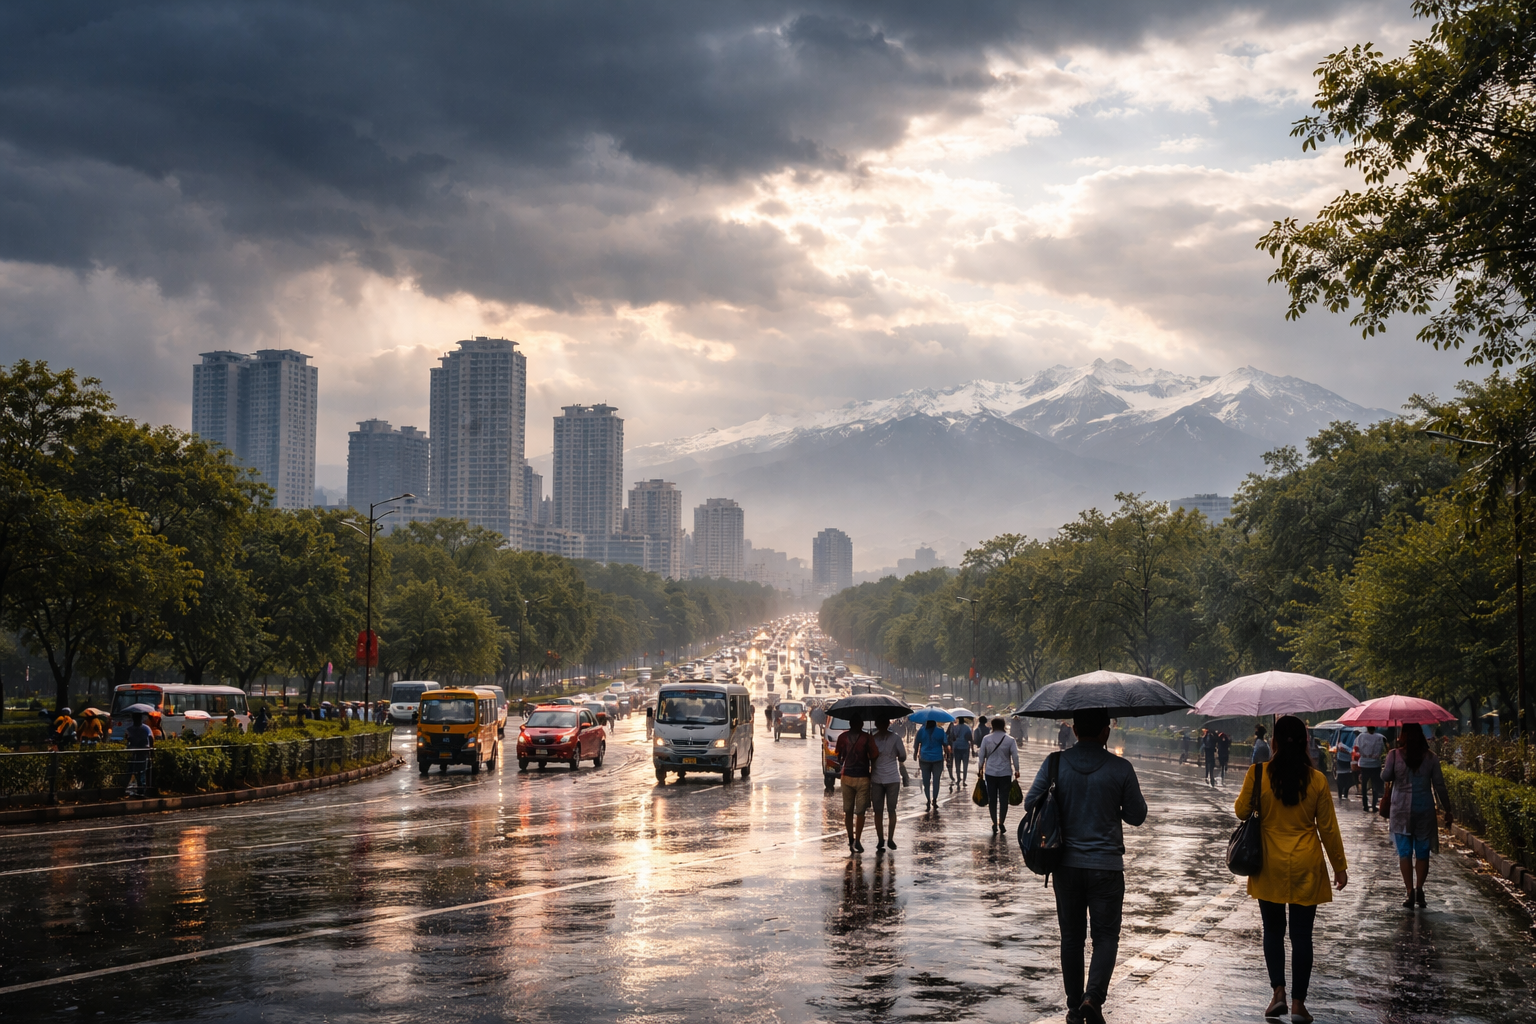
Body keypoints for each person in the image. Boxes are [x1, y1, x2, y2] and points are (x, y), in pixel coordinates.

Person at [1025, 709, 1146, 1024]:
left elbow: (1030, 803)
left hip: (1065, 865)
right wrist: (1111, 803)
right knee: (1106, 936)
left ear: (1075, 730)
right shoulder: (1121, 768)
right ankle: (1093, 997)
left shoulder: (1056, 763)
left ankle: (1074, 1005)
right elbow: (1137, 815)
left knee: (1071, 937)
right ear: (1106, 732)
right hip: (1107, 867)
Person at [1234, 715, 1347, 1024]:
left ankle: (1278, 993)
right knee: (1301, 935)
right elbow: (1328, 829)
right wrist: (1339, 867)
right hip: (1306, 866)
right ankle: (1298, 1004)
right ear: (1306, 742)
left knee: (1272, 930)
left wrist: (1257, 792)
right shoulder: (1318, 780)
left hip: (1268, 864)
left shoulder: (1258, 774)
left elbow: (1241, 810)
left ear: (1273, 743)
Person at [1380, 723, 1452, 909]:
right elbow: (1439, 785)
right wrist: (1448, 809)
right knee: (1422, 853)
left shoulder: (1394, 755)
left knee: (1404, 853)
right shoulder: (1431, 758)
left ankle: (1409, 891)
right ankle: (1420, 888)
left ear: (1403, 735)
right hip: (1424, 810)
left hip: (1401, 810)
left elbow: (1386, 776)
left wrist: (1387, 763)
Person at [835, 719, 878, 854]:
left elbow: (838, 755)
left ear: (850, 724)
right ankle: (858, 840)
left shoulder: (842, 737)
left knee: (848, 810)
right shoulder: (867, 737)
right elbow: (875, 755)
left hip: (846, 776)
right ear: (861, 725)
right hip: (863, 777)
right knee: (860, 812)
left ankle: (850, 838)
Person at [868, 717, 907, 851]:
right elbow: (903, 756)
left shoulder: (873, 738)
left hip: (878, 778)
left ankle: (881, 840)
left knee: (878, 811)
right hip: (891, 779)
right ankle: (890, 839)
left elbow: (869, 758)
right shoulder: (896, 738)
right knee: (891, 810)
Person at [978, 717, 1020, 834]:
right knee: (1003, 799)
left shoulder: (986, 739)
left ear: (992, 725)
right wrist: (1017, 770)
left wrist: (980, 768)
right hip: (1005, 773)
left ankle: (994, 823)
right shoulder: (1010, 740)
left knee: (992, 799)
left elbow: (981, 755)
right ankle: (1001, 822)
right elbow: (1015, 756)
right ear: (1003, 725)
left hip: (990, 773)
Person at [915, 719, 950, 810]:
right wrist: (947, 756)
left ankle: (928, 799)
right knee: (936, 780)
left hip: (924, 759)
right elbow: (945, 745)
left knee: (926, 781)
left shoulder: (921, 731)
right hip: (937, 759)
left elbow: (916, 744)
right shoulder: (940, 731)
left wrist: (915, 754)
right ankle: (934, 799)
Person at [1355, 725, 1386, 813]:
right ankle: (1374, 805)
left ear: (1367, 728)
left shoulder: (1360, 737)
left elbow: (1356, 749)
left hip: (1364, 764)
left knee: (1364, 786)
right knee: (1375, 786)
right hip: (1375, 765)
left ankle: (1365, 806)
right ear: (1375, 728)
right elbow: (1383, 749)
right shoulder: (1380, 737)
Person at [124, 710, 155, 797]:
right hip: (139, 752)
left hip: (140, 752)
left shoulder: (130, 729)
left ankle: (141, 789)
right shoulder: (146, 728)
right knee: (139, 770)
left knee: (139, 771)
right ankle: (140, 789)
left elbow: (127, 740)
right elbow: (151, 739)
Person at [1331, 733, 1355, 806]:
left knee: (1344, 777)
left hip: (1345, 758)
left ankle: (1342, 794)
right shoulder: (1349, 732)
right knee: (1344, 777)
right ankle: (1343, 794)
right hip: (1345, 758)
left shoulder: (1342, 732)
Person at [950, 718, 974, 790]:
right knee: (965, 765)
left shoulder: (954, 727)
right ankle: (964, 780)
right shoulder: (967, 728)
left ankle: (958, 779)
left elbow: (952, 738)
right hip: (965, 748)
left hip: (956, 747)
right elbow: (970, 739)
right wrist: (972, 750)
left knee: (957, 764)